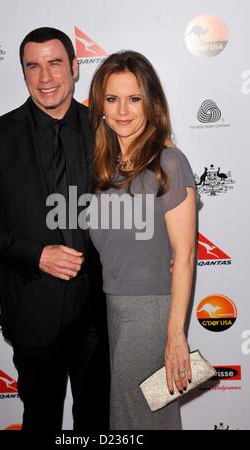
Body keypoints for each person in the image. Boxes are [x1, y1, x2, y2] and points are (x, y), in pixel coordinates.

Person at [0, 27, 109, 431]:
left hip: (101, 311)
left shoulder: (106, 130)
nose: (45, 77)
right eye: (33, 66)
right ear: (23, 73)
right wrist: (37, 254)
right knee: (40, 420)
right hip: (32, 312)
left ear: (75, 68)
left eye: (55, 63)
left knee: (97, 421)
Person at [88, 50, 197, 430]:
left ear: (150, 103)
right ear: (100, 105)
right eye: (112, 99)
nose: (122, 110)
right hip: (114, 309)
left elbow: (184, 255)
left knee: (136, 418)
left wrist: (175, 334)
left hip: (150, 311)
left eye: (134, 98)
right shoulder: (106, 168)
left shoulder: (168, 163)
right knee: (139, 415)